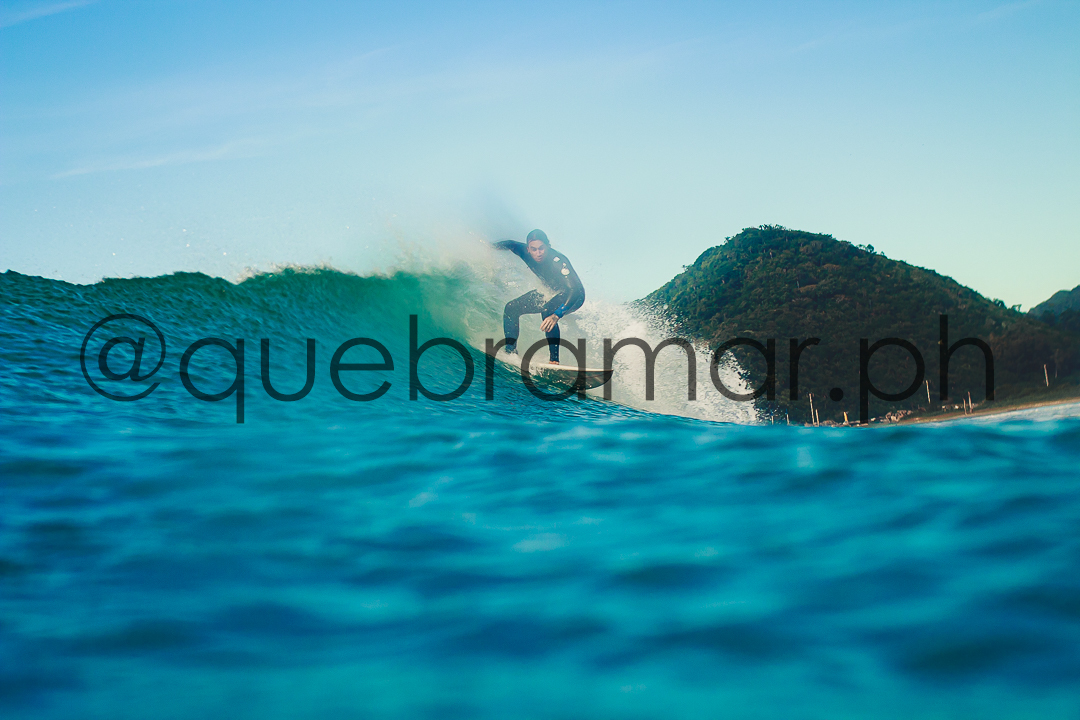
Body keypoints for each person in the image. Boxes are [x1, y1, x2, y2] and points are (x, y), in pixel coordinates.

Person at [493, 229, 585, 364]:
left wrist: (557, 315)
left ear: (548, 246)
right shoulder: (524, 251)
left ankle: (554, 360)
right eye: (534, 249)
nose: (538, 253)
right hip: (550, 291)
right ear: (528, 249)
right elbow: (510, 244)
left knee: (548, 311)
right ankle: (510, 351)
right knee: (511, 308)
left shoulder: (558, 261)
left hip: (574, 296)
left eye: (541, 248)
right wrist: (487, 247)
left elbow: (574, 290)